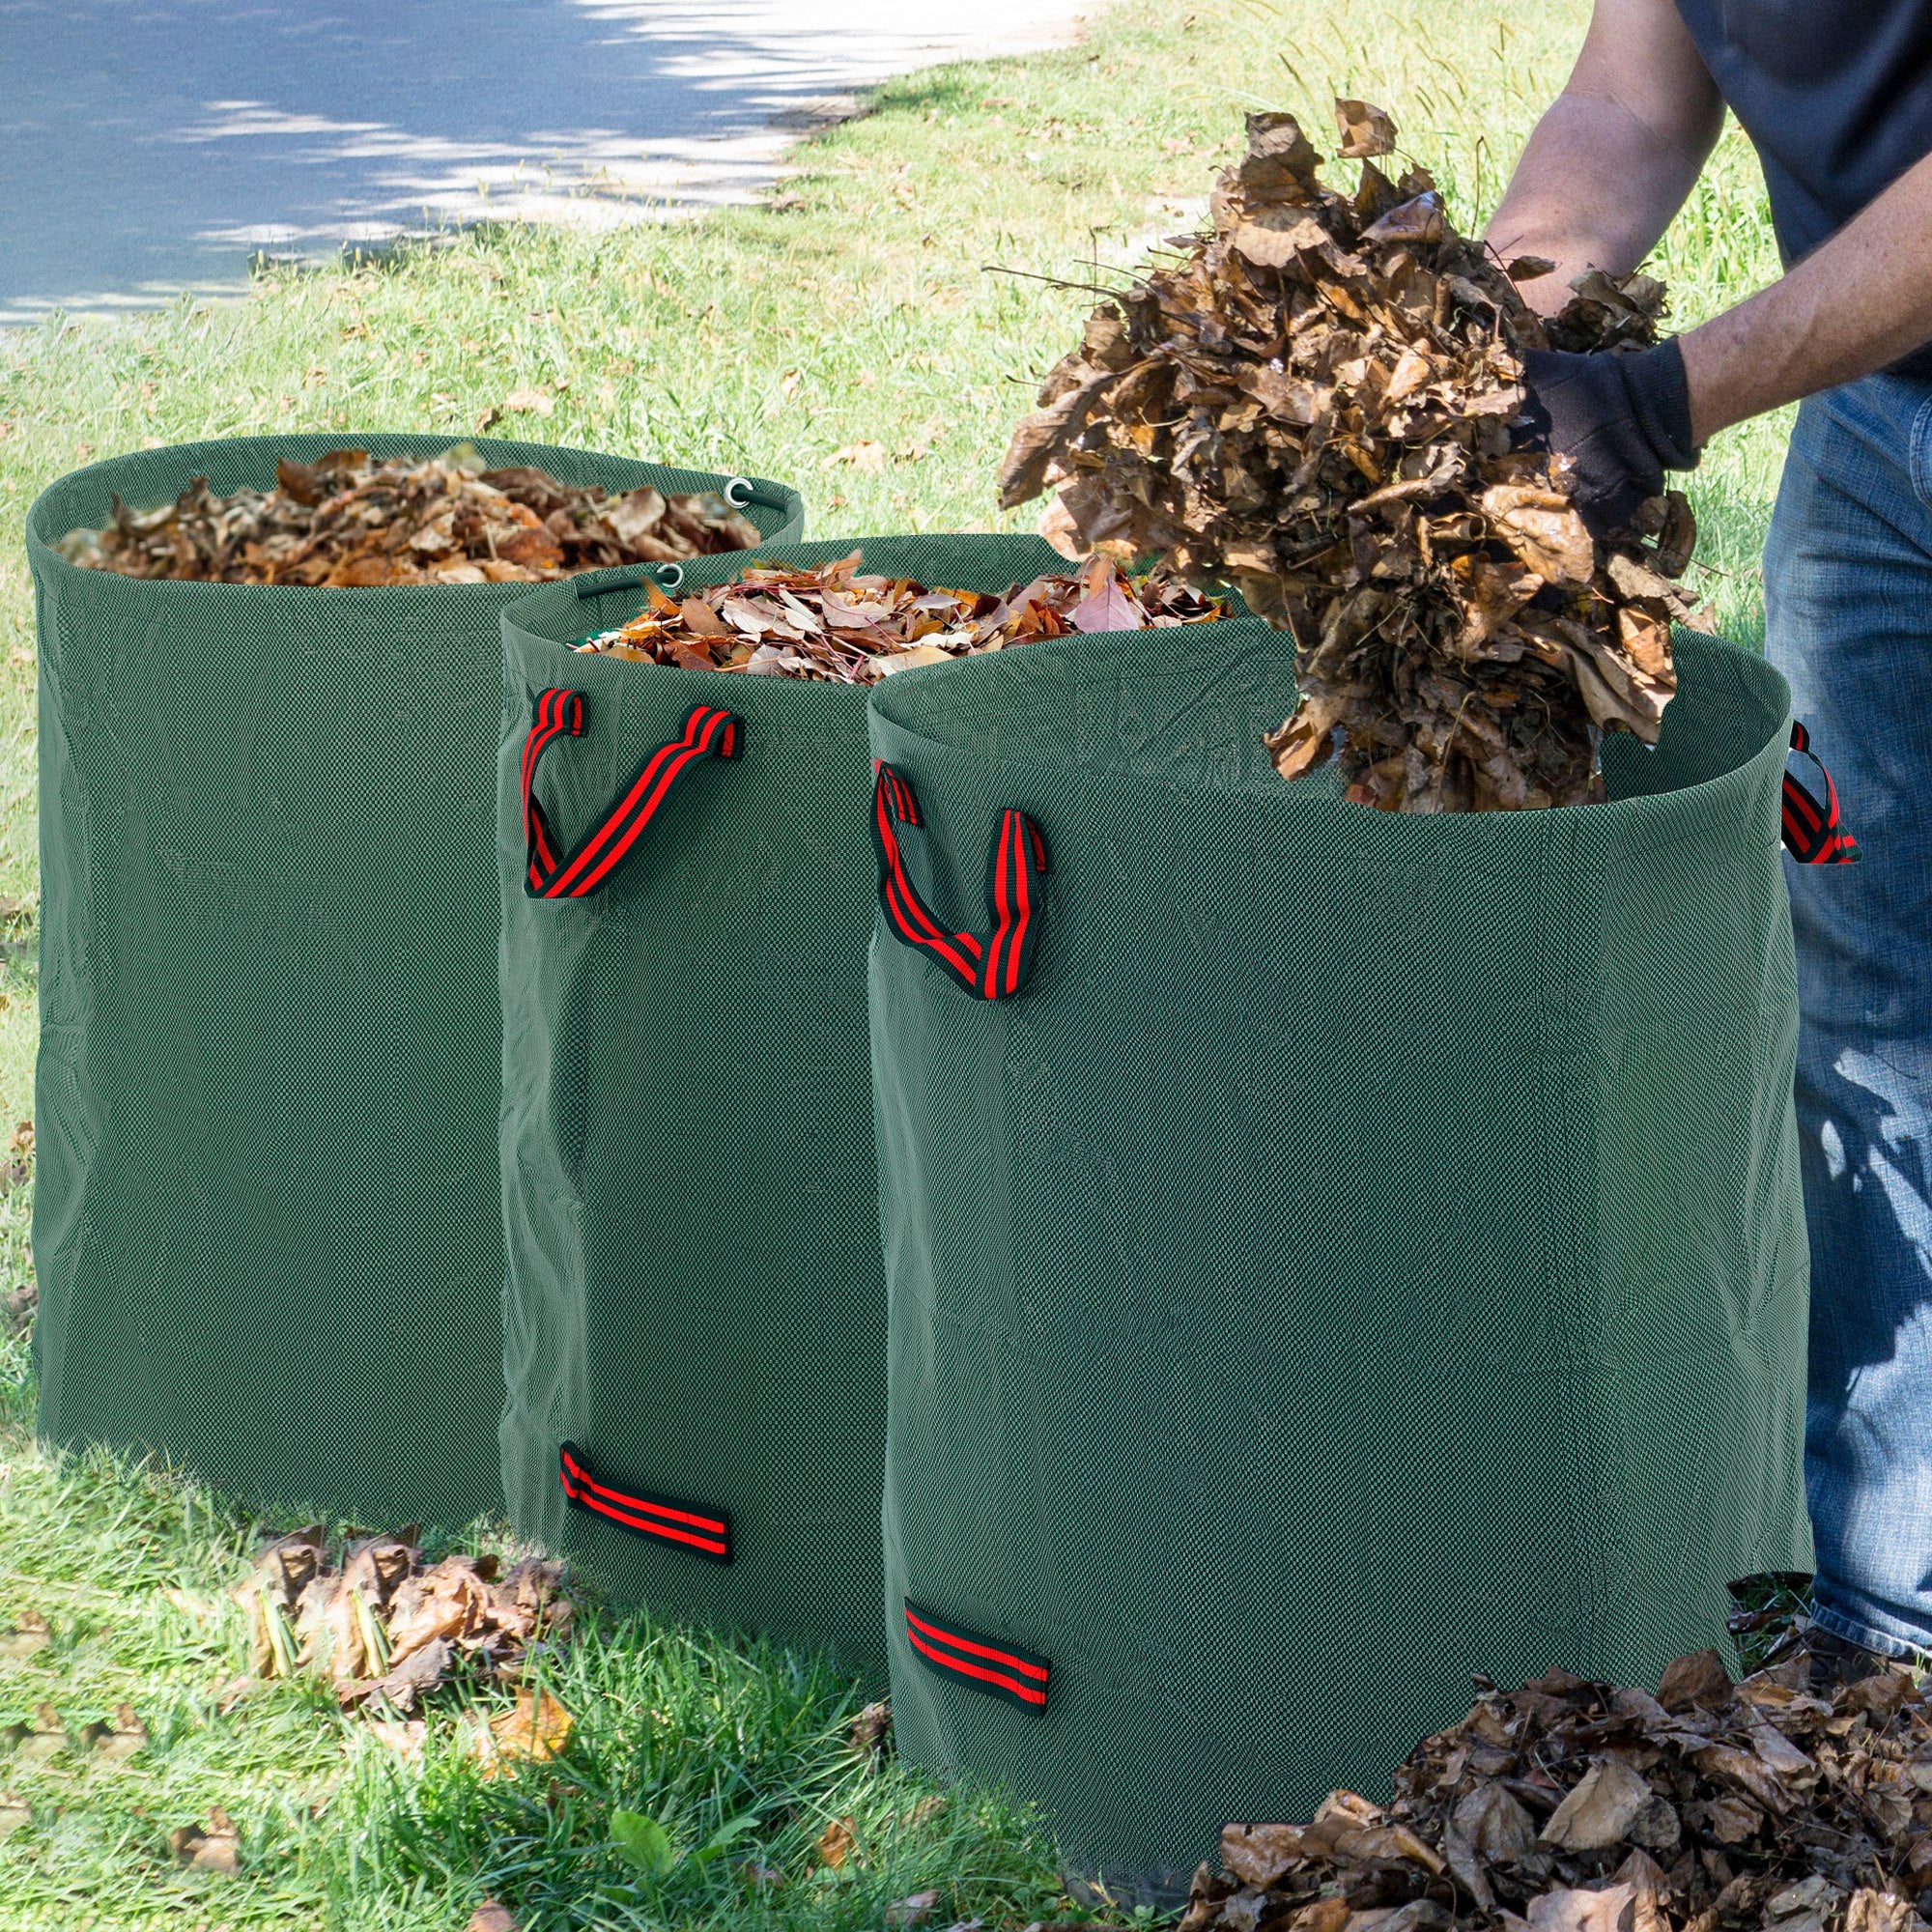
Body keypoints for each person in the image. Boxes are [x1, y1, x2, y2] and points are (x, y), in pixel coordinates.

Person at [1488, 0, 1932, 1680]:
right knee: (1872, 1008)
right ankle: (1888, 1646)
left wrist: (1665, 400)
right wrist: (1483, 351)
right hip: (1883, 424)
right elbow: (1628, 96)